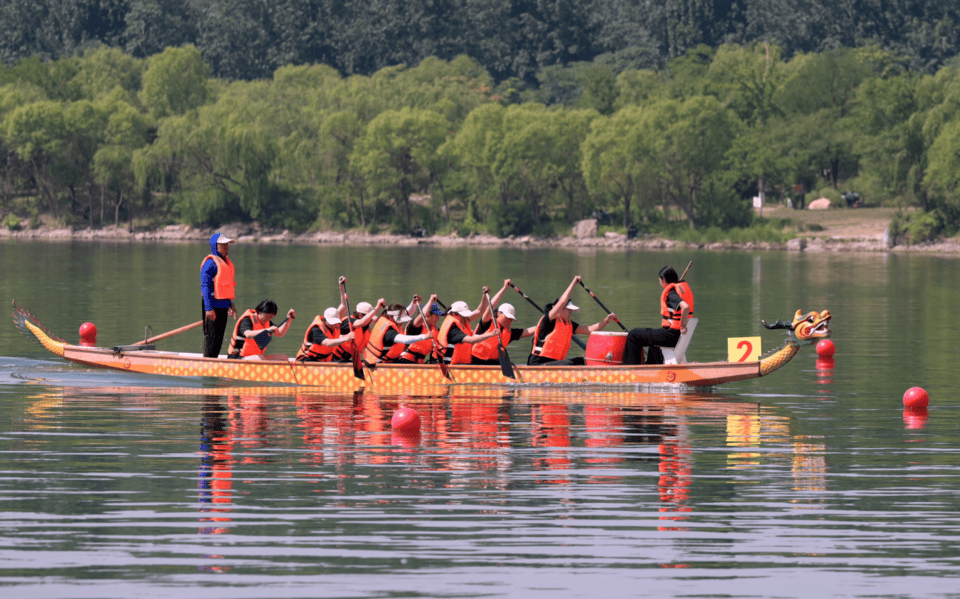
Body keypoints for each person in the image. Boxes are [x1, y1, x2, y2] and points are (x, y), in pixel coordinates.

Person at [527, 275, 619, 366]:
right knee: (569, 363)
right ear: (560, 309)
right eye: (569, 310)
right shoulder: (549, 320)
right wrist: (574, 283)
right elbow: (563, 302)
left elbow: (590, 330)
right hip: (538, 365)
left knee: (583, 360)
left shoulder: (569, 324)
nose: (571, 313)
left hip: (554, 363)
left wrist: (606, 320)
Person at [622, 266, 694, 365]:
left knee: (634, 335)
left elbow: (685, 307)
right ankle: (652, 366)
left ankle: (631, 368)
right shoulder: (678, 290)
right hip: (676, 337)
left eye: (660, 279)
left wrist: (682, 326)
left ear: (664, 280)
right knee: (653, 339)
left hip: (671, 336)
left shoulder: (672, 295)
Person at [471, 280, 535, 365]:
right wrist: (504, 288)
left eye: (511, 319)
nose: (508, 321)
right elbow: (491, 306)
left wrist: (547, 321)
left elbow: (528, 332)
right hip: (475, 362)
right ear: (498, 313)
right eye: (507, 317)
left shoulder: (509, 332)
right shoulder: (487, 322)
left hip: (492, 363)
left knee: (512, 366)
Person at [200, 232, 237, 358]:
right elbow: (205, 287)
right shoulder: (210, 263)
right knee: (212, 338)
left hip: (223, 305)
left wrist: (230, 304)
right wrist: (209, 309)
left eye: (227, 244)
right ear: (215, 246)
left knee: (219, 337)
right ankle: (208, 363)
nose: (226, 247)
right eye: (223, 245)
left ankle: (213, 360)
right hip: (212, 307)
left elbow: (225, 287)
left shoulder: (226, 262)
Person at [438, 290, 499, 364]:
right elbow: (471, 340)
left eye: (466, 314)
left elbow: (480, 310)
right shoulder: (453, 330)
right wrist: (491, 334)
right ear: (454, 314)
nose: (466, 317)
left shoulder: (462, 320)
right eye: (464, 315)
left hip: (462, 365)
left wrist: (484, 296)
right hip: (450, 367)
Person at [331, 279, 386, 363]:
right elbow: (361, 322)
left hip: (346, 359)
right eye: (369, 317)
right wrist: (377, 308)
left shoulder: (366, 324)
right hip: (334, 358)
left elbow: (377, 320)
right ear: (360, 315)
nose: (371, 319)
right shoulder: (350, 322)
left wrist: (385, 310)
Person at [362, 301, 432, 365]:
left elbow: (408, 312)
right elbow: (404, 340)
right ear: (391, 317)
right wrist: (424, 336)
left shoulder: (392, 322)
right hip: (378, 365)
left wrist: (413, 303)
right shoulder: (389, 331)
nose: (402, 322)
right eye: (400, 319)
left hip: (390, 362)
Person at [227, 299, 296, 360]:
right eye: (266, 317)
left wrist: (289, 319)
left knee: (283, 358)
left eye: (271, 317)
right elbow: (248, 334)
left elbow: (280, 333)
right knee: (260, 358)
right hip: (236, 357)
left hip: (255, 357)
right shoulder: (247, 320)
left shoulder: (267, 322)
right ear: (259, 312)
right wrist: (266, 330)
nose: (268, 319)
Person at [399, 294, 443, 363]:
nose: (438, 318)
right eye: (436, 315)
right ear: (428, 315)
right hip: (405, 361)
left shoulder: (435, 331)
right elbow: (422, 316)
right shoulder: (416, 325)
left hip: (419, 364)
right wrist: (431, 301)